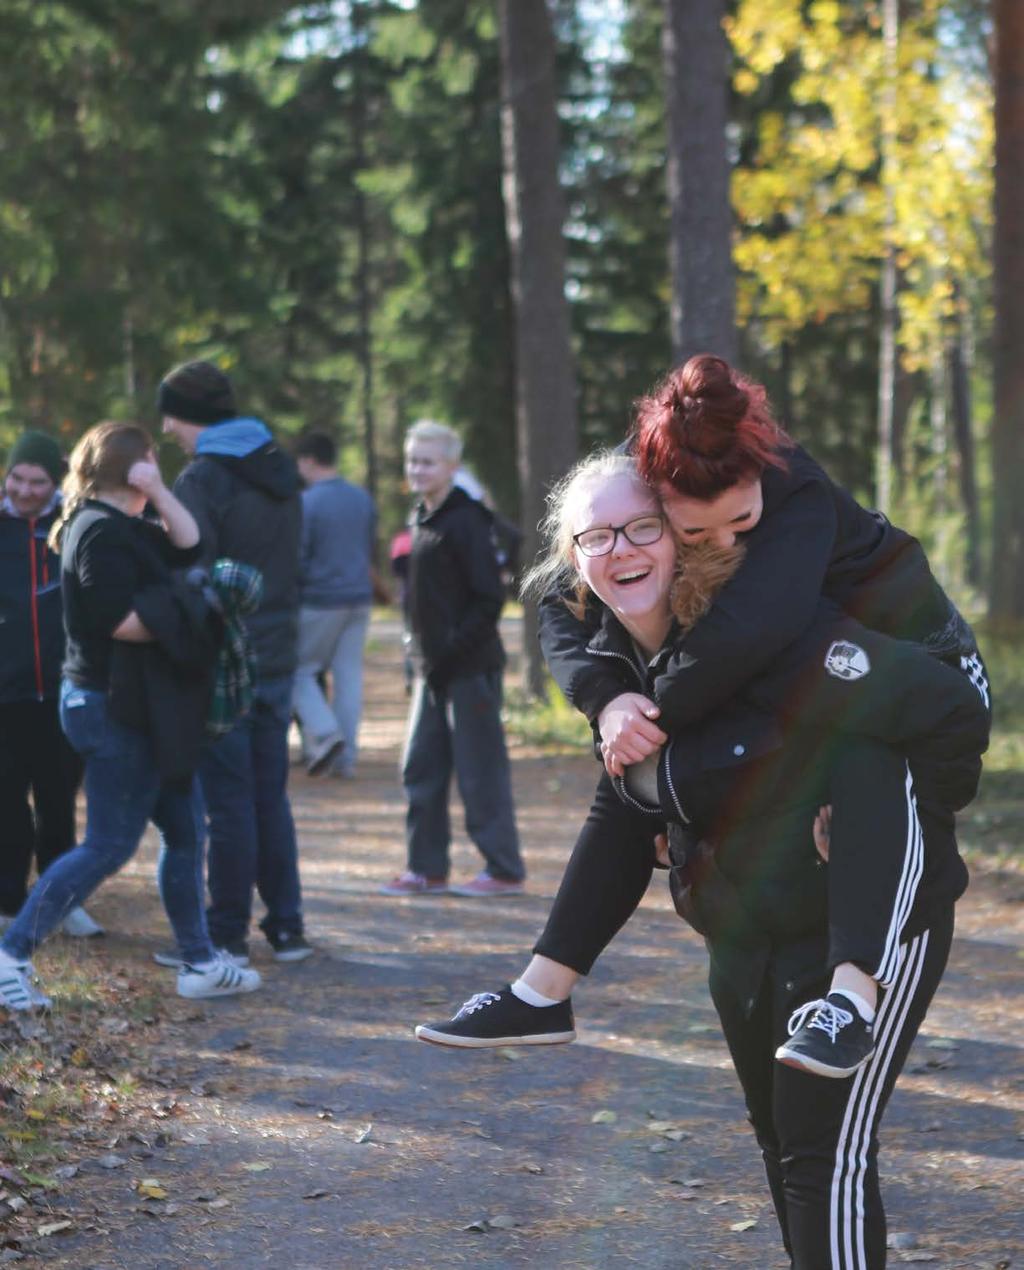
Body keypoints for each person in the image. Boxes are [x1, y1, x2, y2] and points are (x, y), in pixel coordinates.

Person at [416, 452, 988, 1267]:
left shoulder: (775, 631)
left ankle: (845, 998)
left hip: (860, 925)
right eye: (597, 537)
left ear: (682, 539)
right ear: (574, 559)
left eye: (642, 527)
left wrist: (917, 809)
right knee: (784, 1150)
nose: (621, 550)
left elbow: (944, 713)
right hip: (741, 925)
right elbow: (631, 793)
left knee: (826, 1158)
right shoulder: (612, 653)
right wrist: (613, 707)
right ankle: (542, 993)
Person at [0, 422, 261, 1011]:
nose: (157, 469)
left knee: (185, 828)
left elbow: (192, 546)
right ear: (133, 468)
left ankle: (197, 962)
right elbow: (118, 621)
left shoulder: (127, 525)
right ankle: (12, 955)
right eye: (150, 463)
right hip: (107, 706)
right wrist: (199, 613)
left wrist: (161, 493)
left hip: (142, 707)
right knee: (109, 845)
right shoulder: (97, 533)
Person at [158, 360, 312, 965]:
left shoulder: (204, 479)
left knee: (228, 803)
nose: (167, 429)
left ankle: (225, 935)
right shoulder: (279, 467)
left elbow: (197, 574)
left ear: (185, 417)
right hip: (277, 654)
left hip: (227, 662)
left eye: (169, 416)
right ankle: (288, 926)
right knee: (267, 796)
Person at [381, 420, 525, 898]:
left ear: (452, 466)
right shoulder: (420, 516)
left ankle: (503, 869)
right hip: (430, 670)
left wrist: (451, 651)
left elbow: (489, 600)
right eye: (412, 460)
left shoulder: (467, 520)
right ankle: (426, 867)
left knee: (480, 770)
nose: (417, 469)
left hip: (469, 669)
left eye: (428, 461)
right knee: (419, 767)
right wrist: (423, 656)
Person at [0, 431, 97, 938]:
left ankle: (61, 900)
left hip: (64, 690)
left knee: (58, 798)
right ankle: (7, 898)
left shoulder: (74, 524)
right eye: (17, 478)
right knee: (5, 798)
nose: (26, 490)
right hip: (6, 692)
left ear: (54, 481)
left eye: (38, 481)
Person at [292, 429, 381, 778]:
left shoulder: (307, 502)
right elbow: (369, 546)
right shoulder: (362, 499)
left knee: (296, 670)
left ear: (309, 461)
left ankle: (326, 735)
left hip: (320, 599)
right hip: (359, 597)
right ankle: (347, 758)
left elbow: (299, 555)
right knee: (348, 678)